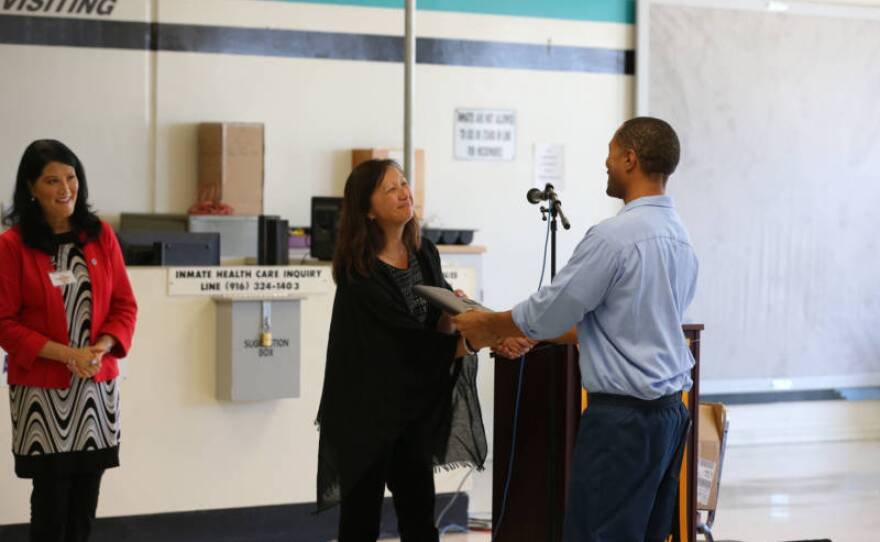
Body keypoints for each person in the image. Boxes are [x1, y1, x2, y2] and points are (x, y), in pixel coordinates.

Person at [453, 117, 698, 542]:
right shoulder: (679, 238)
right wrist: (532, 335)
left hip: (622, 423)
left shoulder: (615, 238)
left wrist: (484, 325)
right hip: (669, 415)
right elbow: (620, 325)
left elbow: (551, 309)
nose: (605, 162)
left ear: (629, 158)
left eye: (610, 152)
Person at [0, 140, 138, 542]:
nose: (66, 188)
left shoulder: (100, 237)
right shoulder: (12, 246)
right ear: (31, 187)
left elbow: (125, 305)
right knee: (51, 507)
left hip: (95, 393)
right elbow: (5, 322)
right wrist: (67, 355)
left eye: (72, 177)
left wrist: (101, 347)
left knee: (83, 508)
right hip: (43, 399)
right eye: (52, 179)